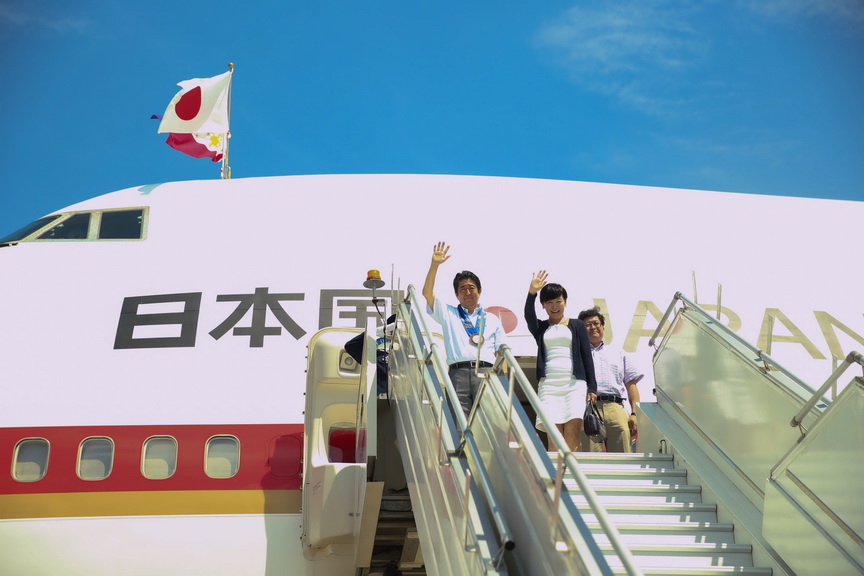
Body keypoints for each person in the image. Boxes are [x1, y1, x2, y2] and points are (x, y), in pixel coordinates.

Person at [422, 242, 507, 417]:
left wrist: (504, 383)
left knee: (488, 424)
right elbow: (427, 294)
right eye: (463, 289)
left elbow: (501, 352)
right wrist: (435, 265)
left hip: (487, 373)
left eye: (471, 288)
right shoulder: (448, 313)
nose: (467, 292)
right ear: (457, 294)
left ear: (480, 291)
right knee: (460, 425)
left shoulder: (491, 319)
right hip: (457, 374)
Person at [524, 270, 597, 451]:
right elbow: (528, 316)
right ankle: (556, 478)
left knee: (572, 432)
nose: (555, 306)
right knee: (553, 435)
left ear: (565, 301)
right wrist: (532, 293)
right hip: (549, 386)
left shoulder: (577, 325)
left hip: (574, 385)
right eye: (549, 302)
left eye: (558, 301)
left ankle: (573, 476)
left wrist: (592, 387)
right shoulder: (540, 328)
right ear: (543, 305)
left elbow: (587, 356)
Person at [577, 306, 643, 452]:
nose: (592, 328)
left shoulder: (619, 353)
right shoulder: (576, 355)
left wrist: (634, 413)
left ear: (603, 327)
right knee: (591, 458)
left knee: (623, 456)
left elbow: (631, 385)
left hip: (616, 408)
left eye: (596, 323)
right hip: (588, 408)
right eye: (587, 325)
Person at [345, 314, 396, 396]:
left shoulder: (413, 357)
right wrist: (377, 331)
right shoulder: (379, 356)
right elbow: (351, 346)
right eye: (392, 330)